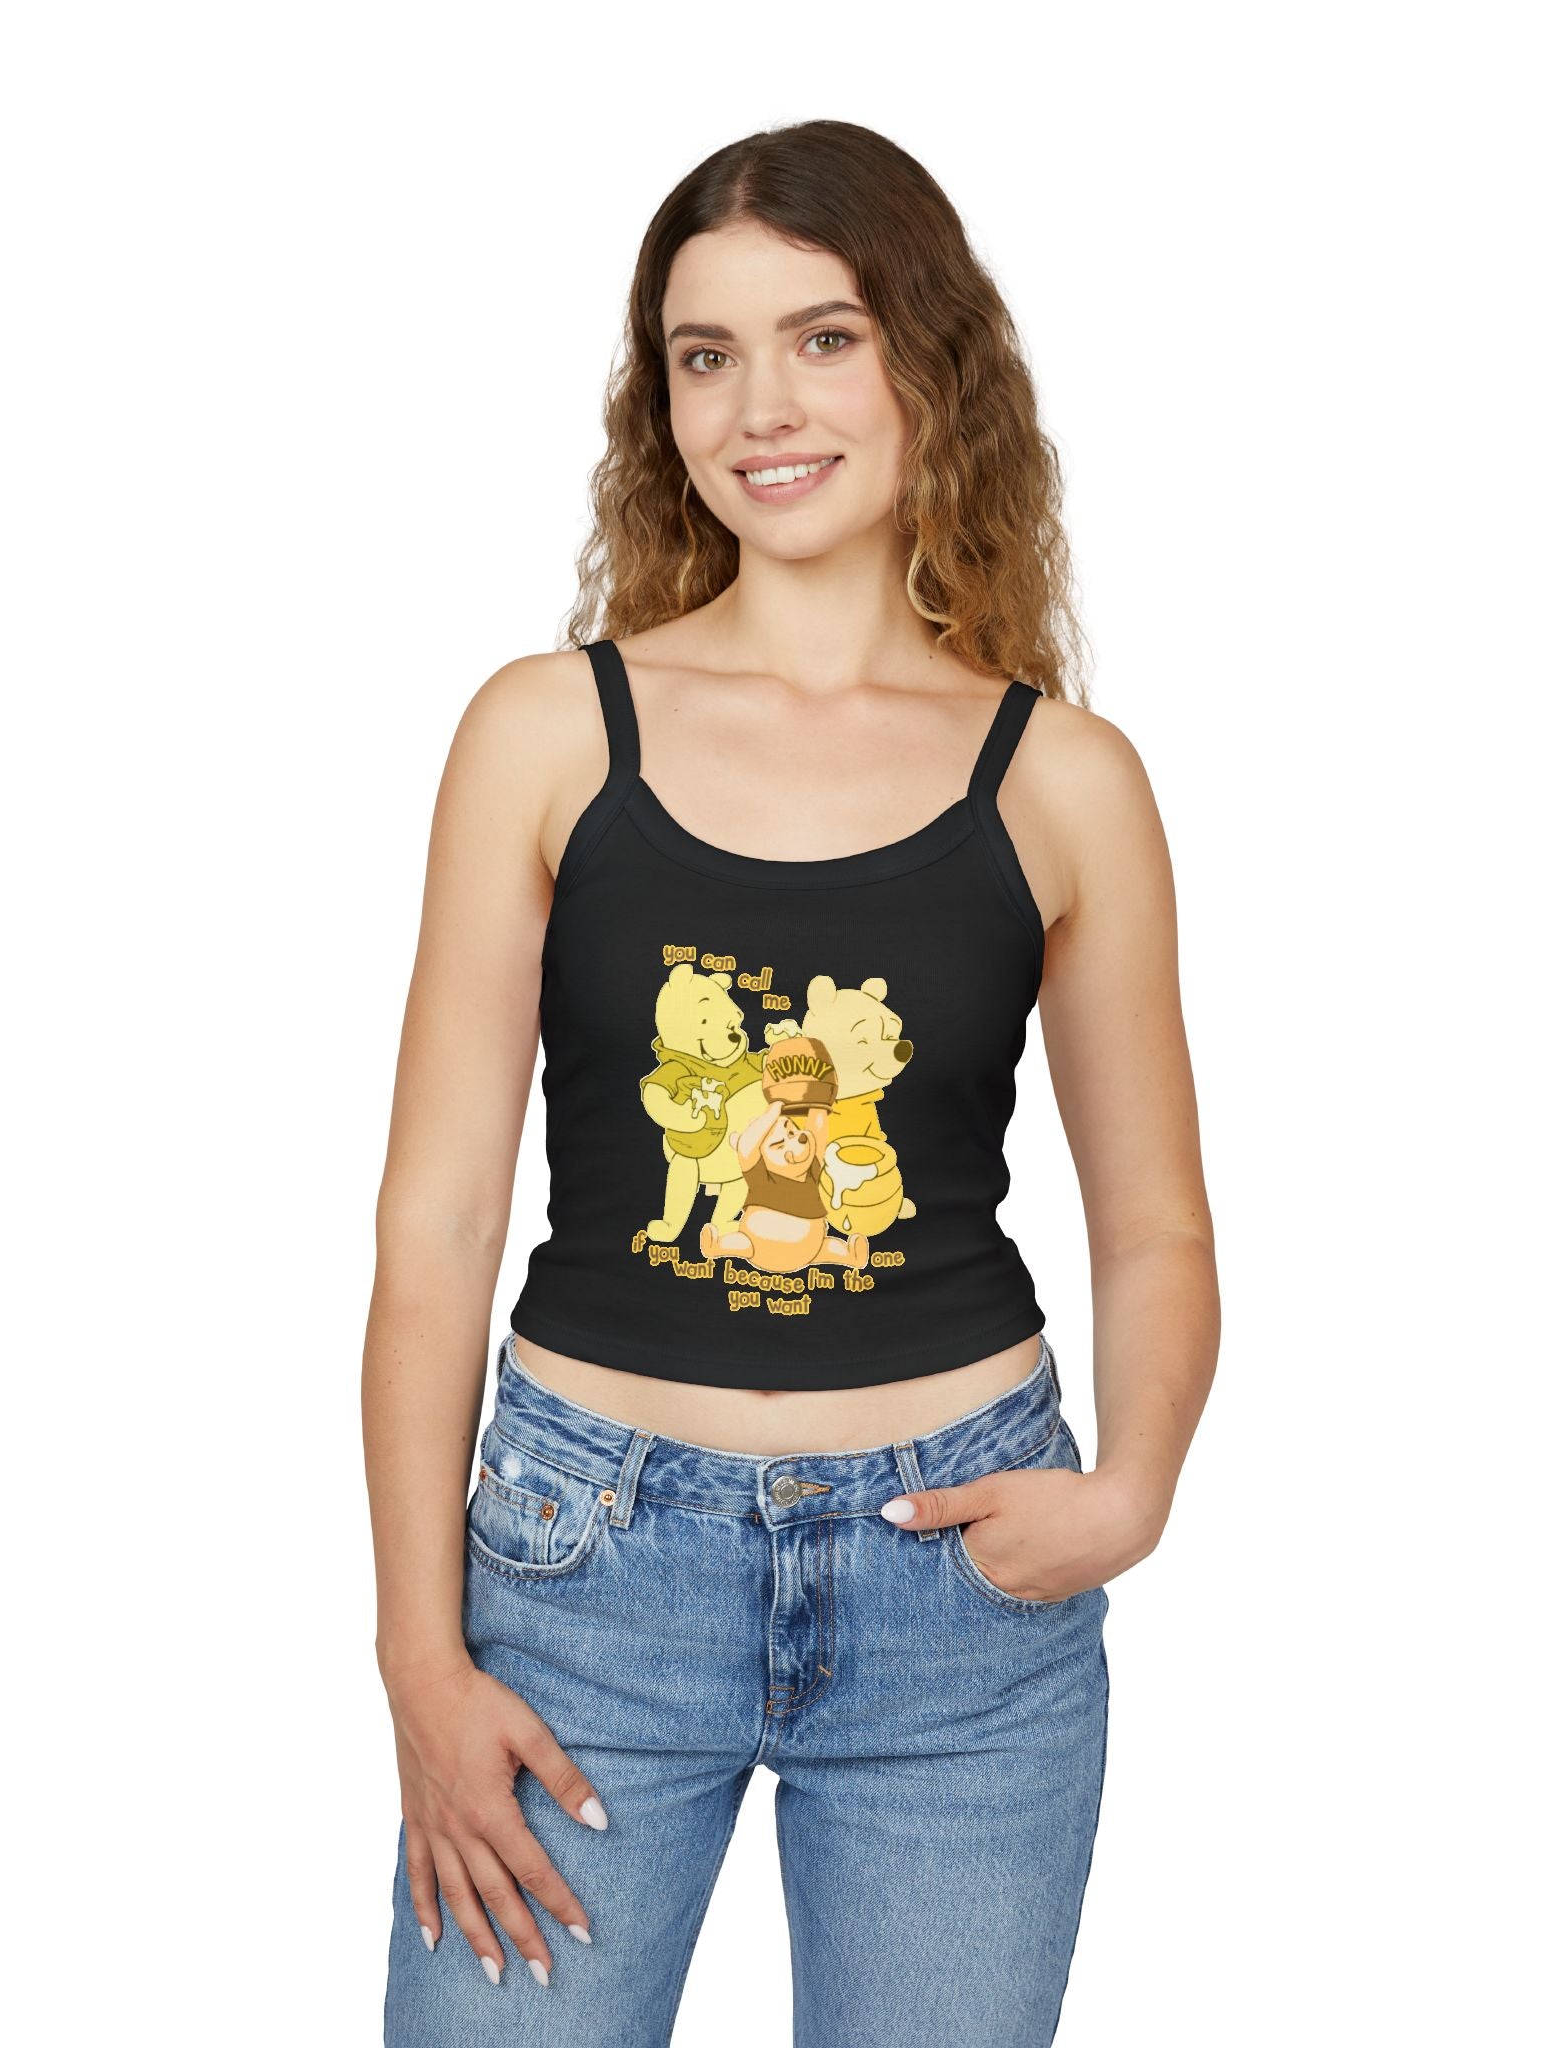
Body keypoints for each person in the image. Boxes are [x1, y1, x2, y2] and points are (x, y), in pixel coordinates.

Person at [362, 117, 1219, 2048]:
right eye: (707, 353)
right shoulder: (546, 736)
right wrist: (420, 1654)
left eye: (823, 338)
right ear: (660, 398)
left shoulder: (1066, 780)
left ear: (931, 360)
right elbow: (439, 1227)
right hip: (586, 1575)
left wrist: (1133, 1492)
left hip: (962, 1599)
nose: (763, 405)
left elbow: (1157, 1222)